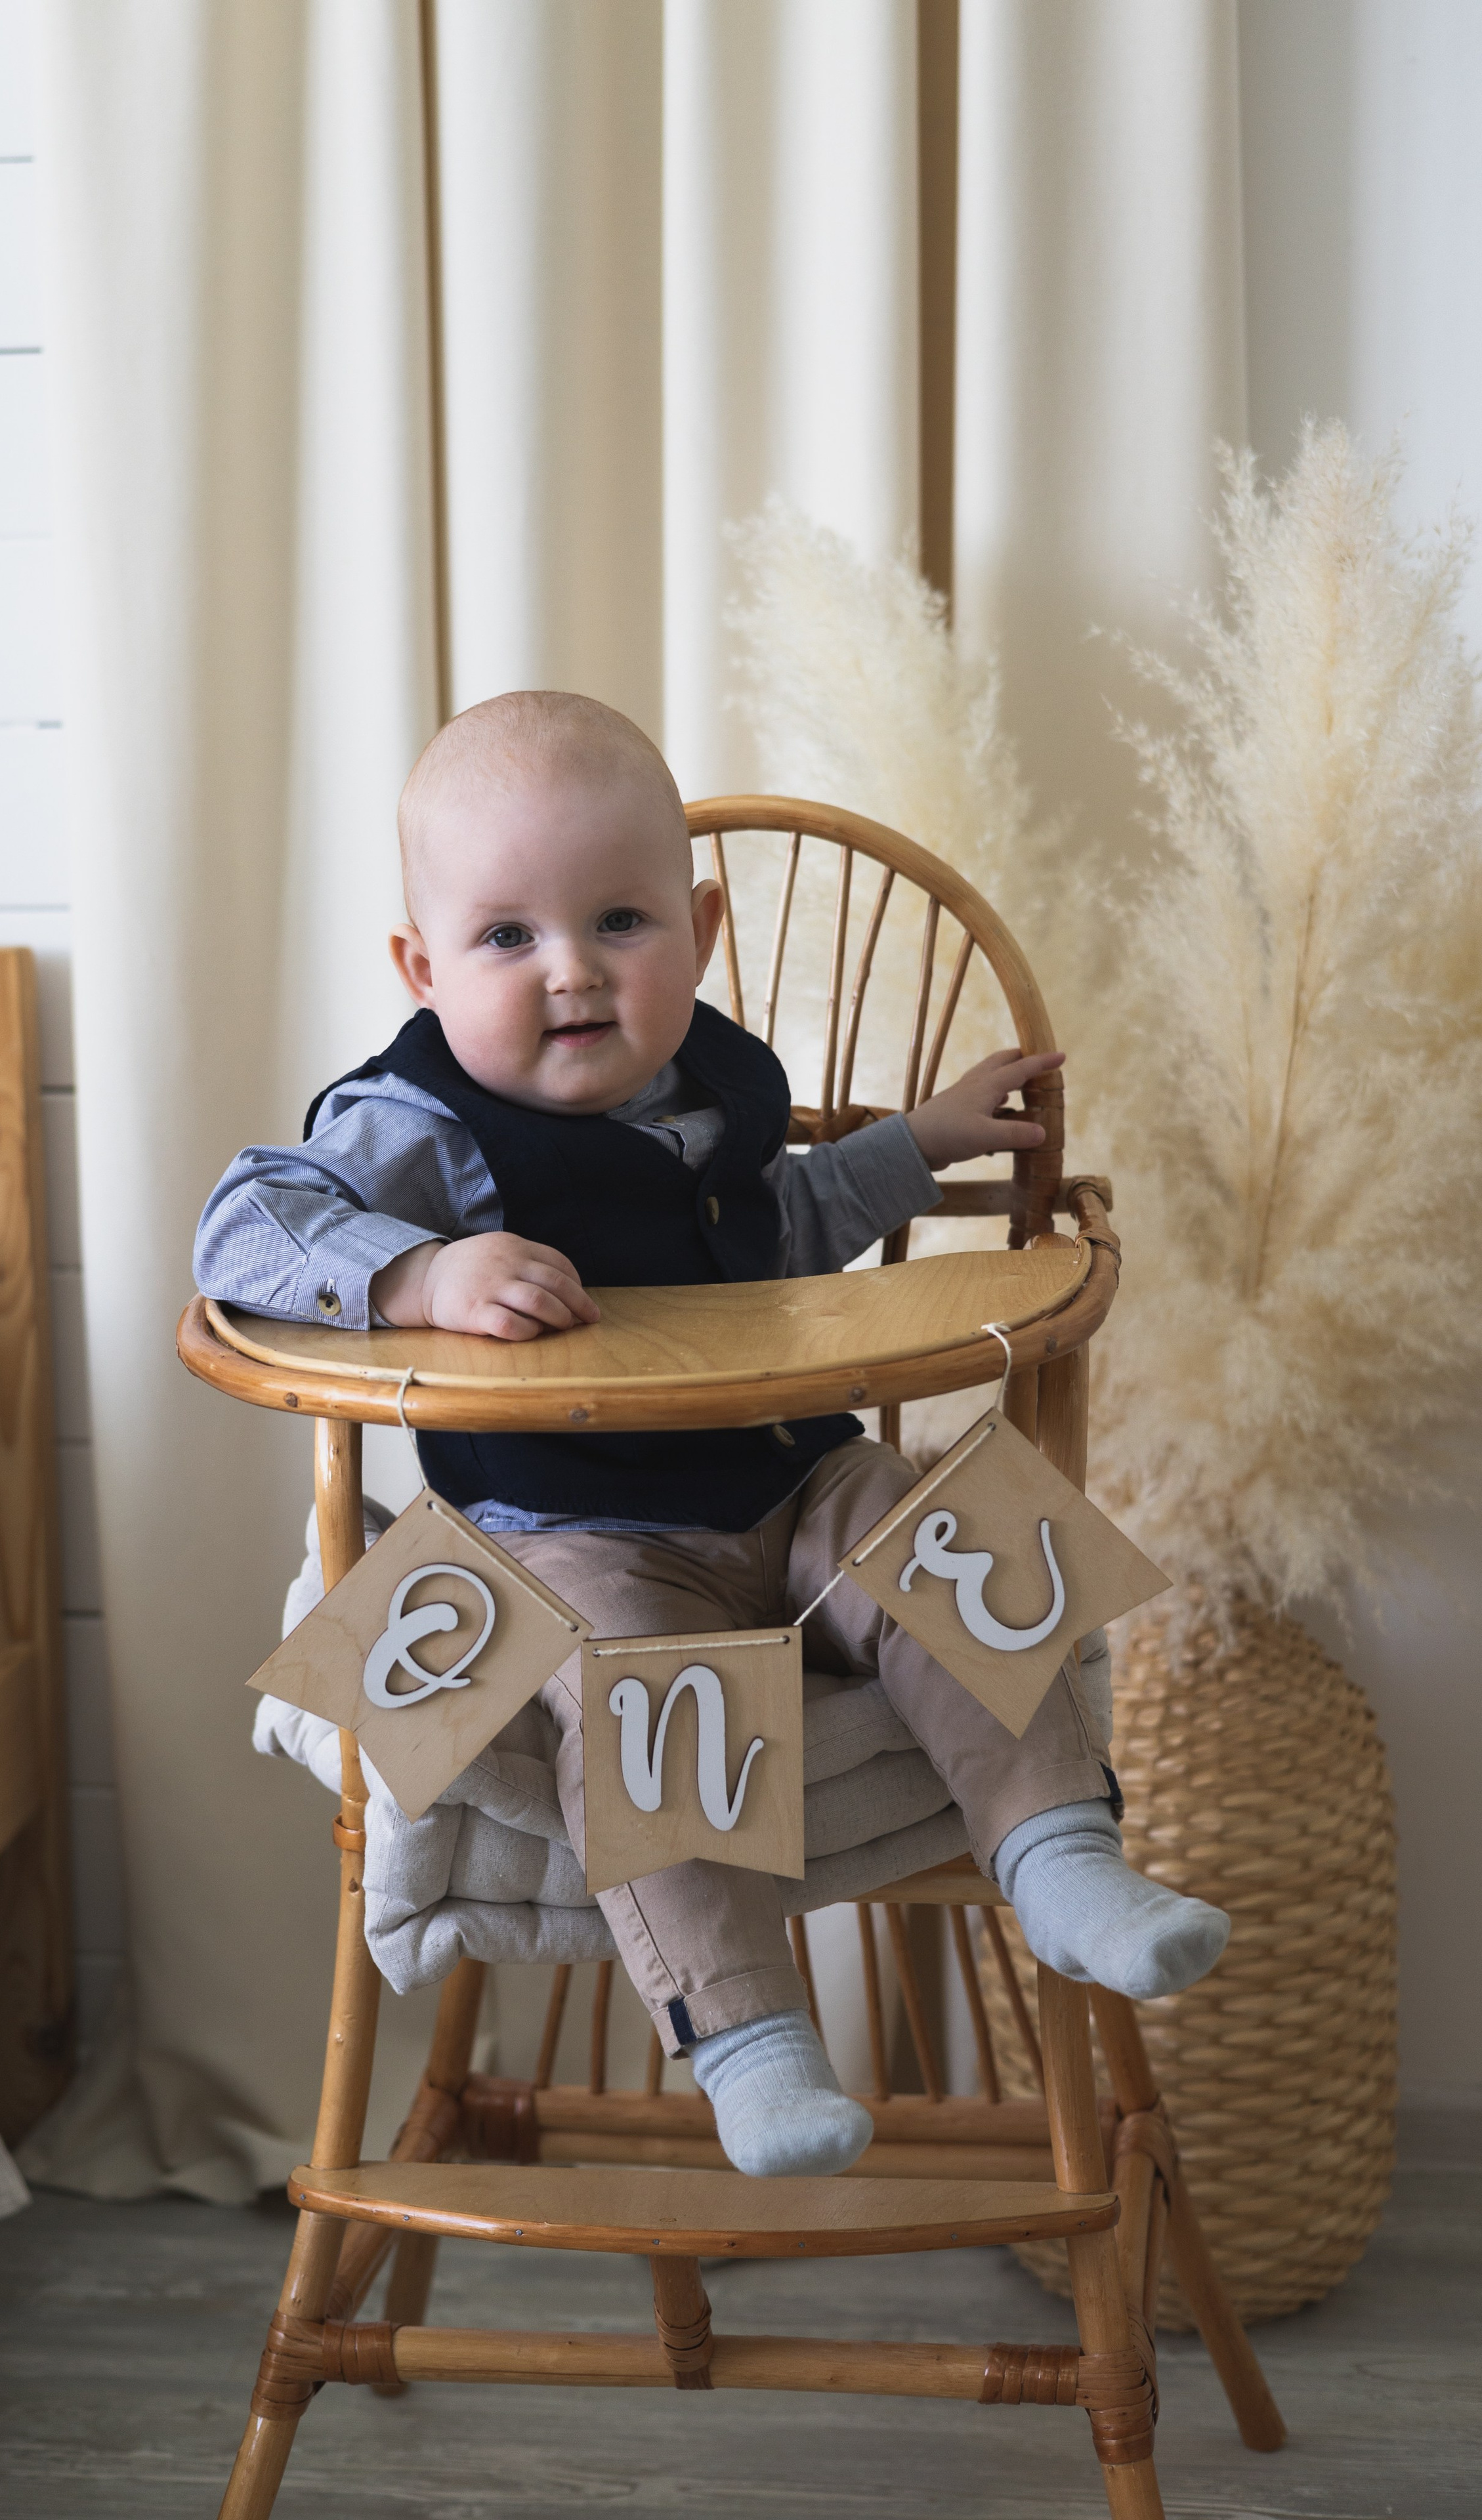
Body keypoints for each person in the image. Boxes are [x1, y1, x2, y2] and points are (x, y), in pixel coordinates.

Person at [196, 689, 1228, 2177]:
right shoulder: (417, 1127)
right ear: (422, 969)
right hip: (577, 1537)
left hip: (789, 1474)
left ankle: (1062, 1856)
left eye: (619, 922)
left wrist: (915, 1145)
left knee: (967, 1524)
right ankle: (749, 2037)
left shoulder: (714, 1090)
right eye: (505, 939)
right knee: (647, 1695)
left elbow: (778, 1230)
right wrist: (418, 1272)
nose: (570, 973)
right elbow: (243, 1226)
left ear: (702, 924)